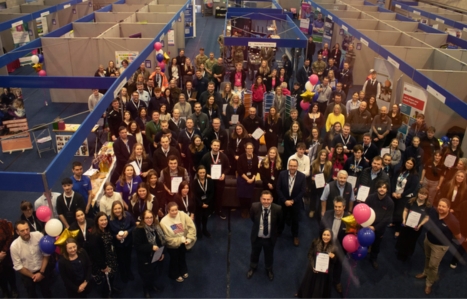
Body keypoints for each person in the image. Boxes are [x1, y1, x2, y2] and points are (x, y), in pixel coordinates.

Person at [415, 198, 463, 295]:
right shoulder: (433, 211)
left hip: (440, 247)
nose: (440, 208)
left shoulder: (453, 221)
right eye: (439, 205)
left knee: (433, 265)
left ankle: (429, 283)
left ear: (449, 208)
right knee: (427, 258)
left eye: (443, 206)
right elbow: (428, 218)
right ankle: (425, 272)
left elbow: (458, 236)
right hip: (428, 240)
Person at [246, 190, 283, 281]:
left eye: (268, 199)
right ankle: (253, 267)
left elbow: (280, 223)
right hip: (257, 237)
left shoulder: (278, 209)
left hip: (270, 238)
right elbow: (252, 218)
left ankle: (269, 269)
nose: (266, 201)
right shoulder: (254, 207)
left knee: (269, 255)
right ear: (260, 199)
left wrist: (276, 233)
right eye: (264, 199)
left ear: (272, 199)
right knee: (254, 253)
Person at [10, 220, 51, 298]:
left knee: (47, 292)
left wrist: (41, 273)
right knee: (31, 294)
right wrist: (33, 276)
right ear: (17, 232)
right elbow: (18, 266)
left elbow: (46, 254)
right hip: (27, 274)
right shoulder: (14, 246)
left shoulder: (38, 235)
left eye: (27, 229)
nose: (26, 232)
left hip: (42, 268)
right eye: (22, 231)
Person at [319, 197, 349, 294]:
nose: (337, 209)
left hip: (341, 248)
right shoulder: (327, 214)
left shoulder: (349, 219)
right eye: (335, 206)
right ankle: (322, 281)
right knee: (324, 263)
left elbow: (351, 236)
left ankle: (336, 282)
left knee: (338, 265)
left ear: (344, 207)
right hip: (327, 245)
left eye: (340, 207)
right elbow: (321, 230)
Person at [160, 202, 197, 282]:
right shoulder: (163, 222)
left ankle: (183, 270)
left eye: (176, 210)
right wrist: (180, 240)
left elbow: (191, 227)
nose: (175, 212)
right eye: (172, 210)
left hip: (184, 242)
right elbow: (166, 238)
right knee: (174, 259)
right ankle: (174, 274)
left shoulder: (182, 215)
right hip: (172, 245)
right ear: (168, 211)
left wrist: (190, 238)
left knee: (182, 256)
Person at [133, 210, 166, 298]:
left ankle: (151, 285)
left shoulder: (156, 227)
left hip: (156, 256)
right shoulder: (138, 230)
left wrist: (161, 253)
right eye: (147, 218)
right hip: (145, 258)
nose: (149, 220)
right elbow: (137, 246)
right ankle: (146, 290)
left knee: (153, 273)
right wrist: (150, 247)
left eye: (151, 217)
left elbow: (160, 242)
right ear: (143, 219)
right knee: (146, 276)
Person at [296, 229, 336, 298]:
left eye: (328, 235)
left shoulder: (334, 248)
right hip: (313, 268)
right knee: (309, 285)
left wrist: (333, 257)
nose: (326, 237)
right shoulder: (315, 242)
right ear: (321, 235)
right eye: (324, 234)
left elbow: (334, 263)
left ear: (331, 236)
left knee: (319, 288)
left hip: (324, 274)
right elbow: (309, 254)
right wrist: (313, 266)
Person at [87, 212, 119, 298]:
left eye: (105, 219)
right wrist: (103, 266)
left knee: (111, 276)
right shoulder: (94, 235)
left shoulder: (106, 230)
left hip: (111, 258)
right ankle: (106, 294)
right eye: (101, 220)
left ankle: (111, 288)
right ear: (97, 222)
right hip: (103, 262)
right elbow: (95, 254)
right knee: (105, 280)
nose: (104, 222)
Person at [276, 159, 307, 246]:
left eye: (294, 166)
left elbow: (303, 191)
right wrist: (285, 200)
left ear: (297, 167)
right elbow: (278, 188)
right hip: (283, 201)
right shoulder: (282, 174)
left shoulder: (302, 176)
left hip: (295, 202)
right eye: (291, 165)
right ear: (288, 166)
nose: (292, 167)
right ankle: (279, 231)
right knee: (281, 218)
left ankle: (295, 236)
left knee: (295, 220)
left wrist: (293, 201)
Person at [365, 181, 394, 269]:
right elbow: (365, 211)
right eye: (380, 187)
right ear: (377, 188)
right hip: (367, 225)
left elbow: (387, 219)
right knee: (365, 241)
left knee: (376, 245)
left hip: (379, 229)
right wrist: (367, 224)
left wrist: (375, 228)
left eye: (384, 187)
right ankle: (364, 254)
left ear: (387, 190)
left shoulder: (390, 203)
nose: (382, 189)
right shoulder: (370, 198)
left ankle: (373, 259)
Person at [395, 188, 430, 261]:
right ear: (418, 193)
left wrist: (420, 225)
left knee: (412, 241)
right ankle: (400, 252)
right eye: (420, 193)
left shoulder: (428, 206)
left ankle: (407, 254)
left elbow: (427, 217)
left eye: (424, 194)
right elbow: (405, 210)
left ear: (427, 196)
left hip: (416, 227)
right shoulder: (411, 201)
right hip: (407, 225)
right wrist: (404, 220)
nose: (421, 195)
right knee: (403, 238)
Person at [200, 139, 231, 219]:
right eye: (214, 145)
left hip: (220, 180)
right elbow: (201, 168)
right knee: (209, 196)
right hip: (209, 180)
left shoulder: (223, 156)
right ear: (211, 146)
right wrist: (206, 174)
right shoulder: (206, 156)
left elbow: (227, 167)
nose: (216, 147)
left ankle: (219, 211)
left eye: (218, 145)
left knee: (219, 196)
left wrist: (224, 174)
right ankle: (210, 210)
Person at [391, 157, 420, 237]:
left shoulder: (415, 175)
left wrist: (401, 195)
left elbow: (412, 188)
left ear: (413, 165)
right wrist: (393, 191)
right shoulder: (399, 171)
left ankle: (398, 229)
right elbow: (393, 180)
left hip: (404, 197)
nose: (408, 165)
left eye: (411, 164)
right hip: (395, 194)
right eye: (407, 162)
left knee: (400, 213)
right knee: (394, 209)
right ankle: (393, 222)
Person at [109, 201, 135, 283]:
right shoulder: (109, 219)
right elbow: (108, 232)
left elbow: (133, 226)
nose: (118, 210)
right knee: (120, 260)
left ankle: (128, 271)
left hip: (128, 242)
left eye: (119, 208)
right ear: (112, 210)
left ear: (122, 208)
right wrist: (115, 236)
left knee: (128, 258)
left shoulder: (128, 215)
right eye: (115, 209)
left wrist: (128, 232)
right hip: (117, 244)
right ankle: (123, 274)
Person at [237, 143, 259, 218]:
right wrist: (247, 179)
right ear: (245, 149)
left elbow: (256, 170)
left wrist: (252, 178)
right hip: (242, 178)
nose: (249, 150)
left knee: (249, 196)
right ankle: (243, 210)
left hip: (252, 179)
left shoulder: (256, 157)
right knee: (242, 195)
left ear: (253, 149)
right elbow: (239, 170)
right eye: (248, 148)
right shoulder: (241, 157)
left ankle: (248, 209)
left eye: (251, 148)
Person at [309, 150, 333, 219]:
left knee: (322, 198)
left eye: (324, 155)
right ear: (319, 155)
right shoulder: (314, 162)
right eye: (321, 155)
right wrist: (312, 177)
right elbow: (311, 172)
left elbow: (330, 175)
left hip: (324, 185)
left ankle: (319, 211)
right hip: (315, 184)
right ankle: (312, 210)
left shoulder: (329, 164)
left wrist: (326, 182)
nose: (323, 157)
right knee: (313, 197)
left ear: (326, 156)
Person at [192, 166, 214, 238]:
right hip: (198, 204)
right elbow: (194, 195)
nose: (202, 174)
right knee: (198, 218)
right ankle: (198, 230)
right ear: (198, 173)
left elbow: (212, 192)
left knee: (205, 217)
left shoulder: (209, 181)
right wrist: (201, 204)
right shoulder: (194, 182)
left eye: (203, 172)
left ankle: (204, 229)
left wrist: (207, 202)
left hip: (207, 203)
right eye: (200, 173)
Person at [0, 219, 18, 298]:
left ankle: (13, 288)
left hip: (6, 253)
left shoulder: (2, 223)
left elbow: (10, 237)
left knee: (10, 272)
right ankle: (5, 291)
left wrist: (4, 251)